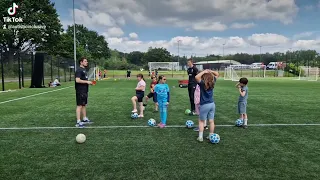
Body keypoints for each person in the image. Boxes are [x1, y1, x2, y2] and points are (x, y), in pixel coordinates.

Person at [195, 69, 219, 142]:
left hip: (204, 105)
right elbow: (217, 74)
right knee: (211, 121)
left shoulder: (202, 84)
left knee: (201, 121)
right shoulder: (213, 81)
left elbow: (196, 77)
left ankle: (200, 137)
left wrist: (204, 72)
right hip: (212, 104)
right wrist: (210, 71)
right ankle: (210, 135)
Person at [75, 57, 93, 128]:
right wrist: (87, 82)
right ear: (81, 62)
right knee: (79, 105)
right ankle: (78, 121)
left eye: (87, 61)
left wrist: (89, 83)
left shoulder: (84, 70)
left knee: (84, 104)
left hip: (85, 90)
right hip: (80, 90)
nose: (87, 62)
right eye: (85, 61)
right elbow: (77, 80)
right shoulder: (79, 70)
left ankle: (84, 118)